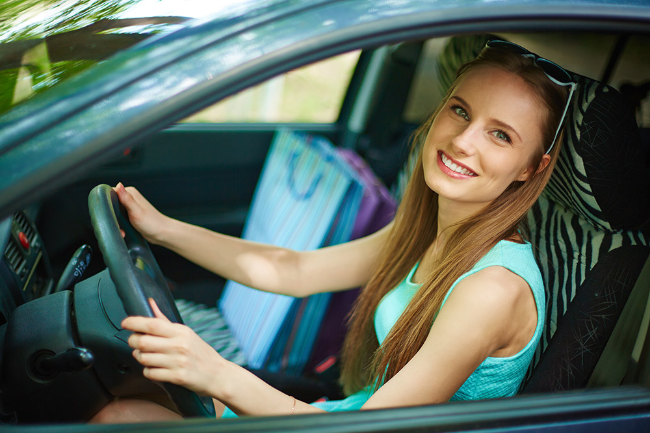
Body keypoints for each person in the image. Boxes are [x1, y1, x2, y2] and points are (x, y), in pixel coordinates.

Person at [91, 40, 574, 422]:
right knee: (125, 392)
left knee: (122, 416)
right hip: (343, 414)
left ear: (532, 168)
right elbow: (293, 269)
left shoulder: (492, 289)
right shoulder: (429, 231)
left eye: (500, 134)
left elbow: (366, 428)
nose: (463, 141)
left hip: (353, 425)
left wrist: (215, 372)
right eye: (460, 110)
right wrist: (163, 229)